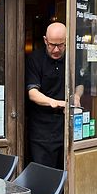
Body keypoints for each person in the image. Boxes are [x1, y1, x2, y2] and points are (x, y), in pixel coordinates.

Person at [25, 22, 82, 168]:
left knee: (65, 173)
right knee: (44, 175)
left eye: (61, 45)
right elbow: (32, 93)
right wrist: (56, 102)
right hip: (42, 131)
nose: (56, 49)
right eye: (51, 45)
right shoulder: (35, 59)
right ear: (45, 40)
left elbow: (81, 83)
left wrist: (76, 96)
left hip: (67, 128)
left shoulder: (73, 58)